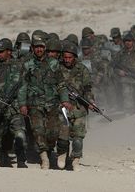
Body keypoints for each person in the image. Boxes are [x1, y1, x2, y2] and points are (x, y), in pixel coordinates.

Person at [18, 35, 72, 169]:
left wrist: (64, 100)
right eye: (36, 47)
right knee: (38, 130)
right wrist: (22, 104)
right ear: (32, 48)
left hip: (52, 103)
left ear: (45, 48)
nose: (39, 50)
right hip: (35, 104)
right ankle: (44, 157)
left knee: (53, 132)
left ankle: (49, 150)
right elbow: (23, 86)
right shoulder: (27, 65)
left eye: (41, 47)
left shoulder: (54, 64)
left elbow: (61, 84)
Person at [0, 40, 27, 168]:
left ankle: (21, 161)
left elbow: (23, 86)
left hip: (14, 107)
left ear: (9, 51)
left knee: (20, 133)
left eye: (0, 52)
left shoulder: (20, 66)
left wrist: (22, 104)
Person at [57, 42, 94, 171]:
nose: (67, 60)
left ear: (75, 57)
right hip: (62, 107)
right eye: (65, 57)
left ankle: (76, 160)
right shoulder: (57, 68)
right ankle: (62, 156)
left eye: (70, 57)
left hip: (79, 108)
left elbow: (88, 88)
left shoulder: (82, 69)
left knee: (78, 137)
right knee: (63, 136)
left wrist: (90, 101)